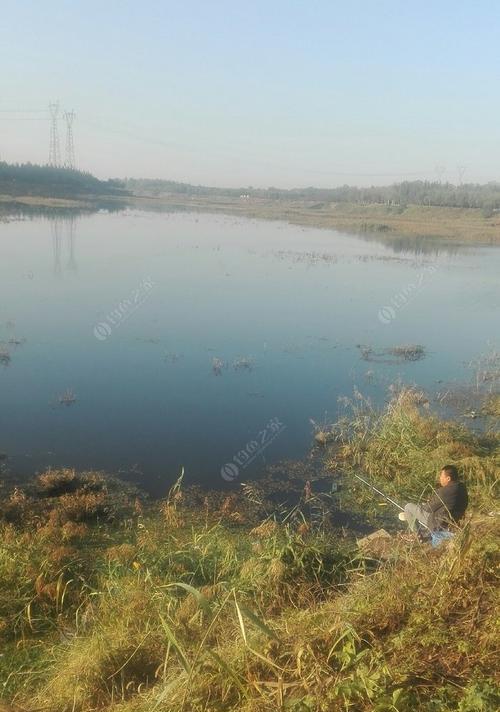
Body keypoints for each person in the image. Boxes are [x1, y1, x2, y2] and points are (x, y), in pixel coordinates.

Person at [399, 465, 468, 534]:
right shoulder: (462, 488)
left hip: (438, 522)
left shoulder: (444, 491)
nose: (440, 478)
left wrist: (423, 505)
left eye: (441, 476)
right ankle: (422, 532)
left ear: (448, 478)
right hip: (454, 522)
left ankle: (417, 535)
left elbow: (428, 508)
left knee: (408, 507)